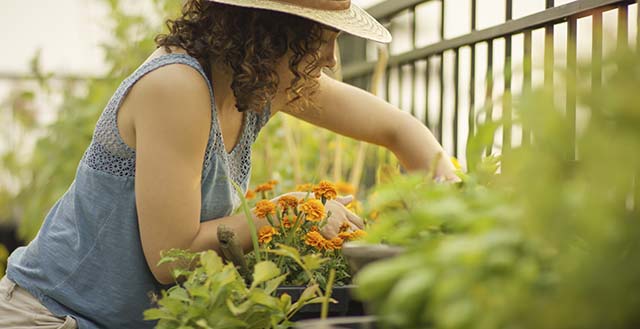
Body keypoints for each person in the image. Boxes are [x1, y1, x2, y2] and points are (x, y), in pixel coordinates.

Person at [0, 0, 458, 328]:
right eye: (323, 37)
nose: (332, 59)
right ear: (269, 30)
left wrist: (458, 211)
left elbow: (399, 130)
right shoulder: (177, 87)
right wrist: (289, 211)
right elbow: (169, 258)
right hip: (50, 315)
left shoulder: (254, 84)